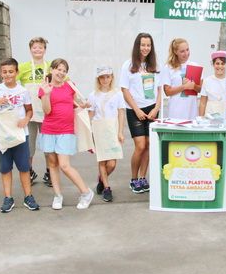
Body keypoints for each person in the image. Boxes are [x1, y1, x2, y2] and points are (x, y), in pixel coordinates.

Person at [0, 58, 39, 213]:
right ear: (1, 73)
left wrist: (26, 119)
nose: (8, 75)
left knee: (24, 167)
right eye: (4, 72)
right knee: (5, 168)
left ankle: (28, 196)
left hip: (20, 134)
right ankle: (8, 197)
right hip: (3, 134)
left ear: (16, 72)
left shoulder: (23, 91)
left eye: (11, 71)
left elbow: (29, 110)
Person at [38, 58, 94, 210]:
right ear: (52, 70)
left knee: (64, 165)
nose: (61, 73)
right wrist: (47, 94)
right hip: (49, 130)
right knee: (52, 164)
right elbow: (47, 111)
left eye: (64, 70)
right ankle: (57, 196)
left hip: (66, 131)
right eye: (58, 69)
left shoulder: (70, 86)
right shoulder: (44, 88)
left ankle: (86, 192)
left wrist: (84, 105)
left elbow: (76, 104)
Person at [120, 33, 161, 194]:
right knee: (140, 145)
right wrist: (136, 109)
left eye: (148, 45)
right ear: (137, 46)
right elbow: (124, 90)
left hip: (152, 109)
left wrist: (156, 108)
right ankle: (134, 179)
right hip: (134, 110)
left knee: (149, 144)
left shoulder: (155, 65)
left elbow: (160, 90)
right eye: (143, 45)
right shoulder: (128, 65)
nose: (145, 48)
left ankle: (143, 177)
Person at [88, 66, 126, 203]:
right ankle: (107, 188)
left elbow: (121, 113)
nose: (105, 80)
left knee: (112, 163)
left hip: (112, 128)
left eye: (108, 77)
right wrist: (88, 133)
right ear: (98, 79)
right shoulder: (93, 95)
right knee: (102, 160)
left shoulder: (117, 94)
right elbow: (90, 114)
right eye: (102, 77)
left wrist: (120, 131)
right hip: (98, 128)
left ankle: (101, 180)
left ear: (112, 78)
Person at [17, 36, 51, 186]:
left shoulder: (50, 67)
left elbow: (65, 82)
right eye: (34, 47)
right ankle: (29, 171)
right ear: (30, 49)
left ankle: (50, 172)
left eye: (40, 47)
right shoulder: (23, 67)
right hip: (29, 112)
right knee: (28, 145)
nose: (37, 50)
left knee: (48, 144)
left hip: (47, 111)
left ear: (45, 49)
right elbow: (13, 84)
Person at [161, 38, 202, 120]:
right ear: (175, 52)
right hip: (176, 112)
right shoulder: (168, 67)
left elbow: (200, 89)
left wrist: (194, 86)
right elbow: (167, 92)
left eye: (187, 50)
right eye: (182, 51)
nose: (186, 53)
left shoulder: (195, 66)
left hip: (192, 111)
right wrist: (184, 87)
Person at [198, 51, 226, 117]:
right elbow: (203, 102)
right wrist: (201, 118)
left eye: (223, 64)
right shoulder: (207, 81)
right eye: (217, 63)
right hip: (210, 115)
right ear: (213, 64)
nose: (220, 66)